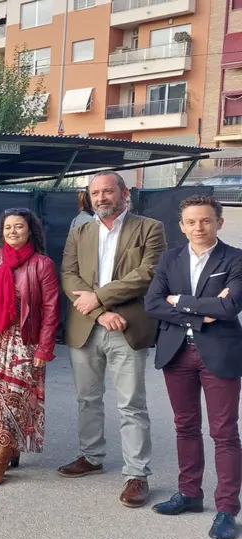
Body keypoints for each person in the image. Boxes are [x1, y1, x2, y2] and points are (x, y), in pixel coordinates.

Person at [59, 170, 166, 508]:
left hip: (127, 326)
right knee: (87, 398)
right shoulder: (79, 232)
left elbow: (148, 273)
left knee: (131, 403)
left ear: (124, 192)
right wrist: (99, 312)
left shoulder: (150, 228)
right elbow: (69, 276)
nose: (102, 198)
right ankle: (91, 457)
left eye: (108, 191)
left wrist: (101, 297)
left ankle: (137, 474)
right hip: (88, 325)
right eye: (95, 193)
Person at [144, 195, 242, 539]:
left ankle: (228, 508)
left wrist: (181, 301)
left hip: (220, 353)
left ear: (219, 222)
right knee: (185, 427)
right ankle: (189, 494)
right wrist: (204, 312)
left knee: (224, 432)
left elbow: (230, 306)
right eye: (191, 222)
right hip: (177, 353)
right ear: (181, 225)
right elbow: (153, 303)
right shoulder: (169, 259)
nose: (198, 227)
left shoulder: (235, 258)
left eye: (205, 220)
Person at [0, 208, 60, 486]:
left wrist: (45, 348)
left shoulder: (41, 264)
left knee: (15, 397)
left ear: (29, 230)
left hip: (24, 340)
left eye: (18, 227)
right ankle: (11, 446)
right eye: (8, 227)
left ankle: (0, 455)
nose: (12, 232)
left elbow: (51, 308)